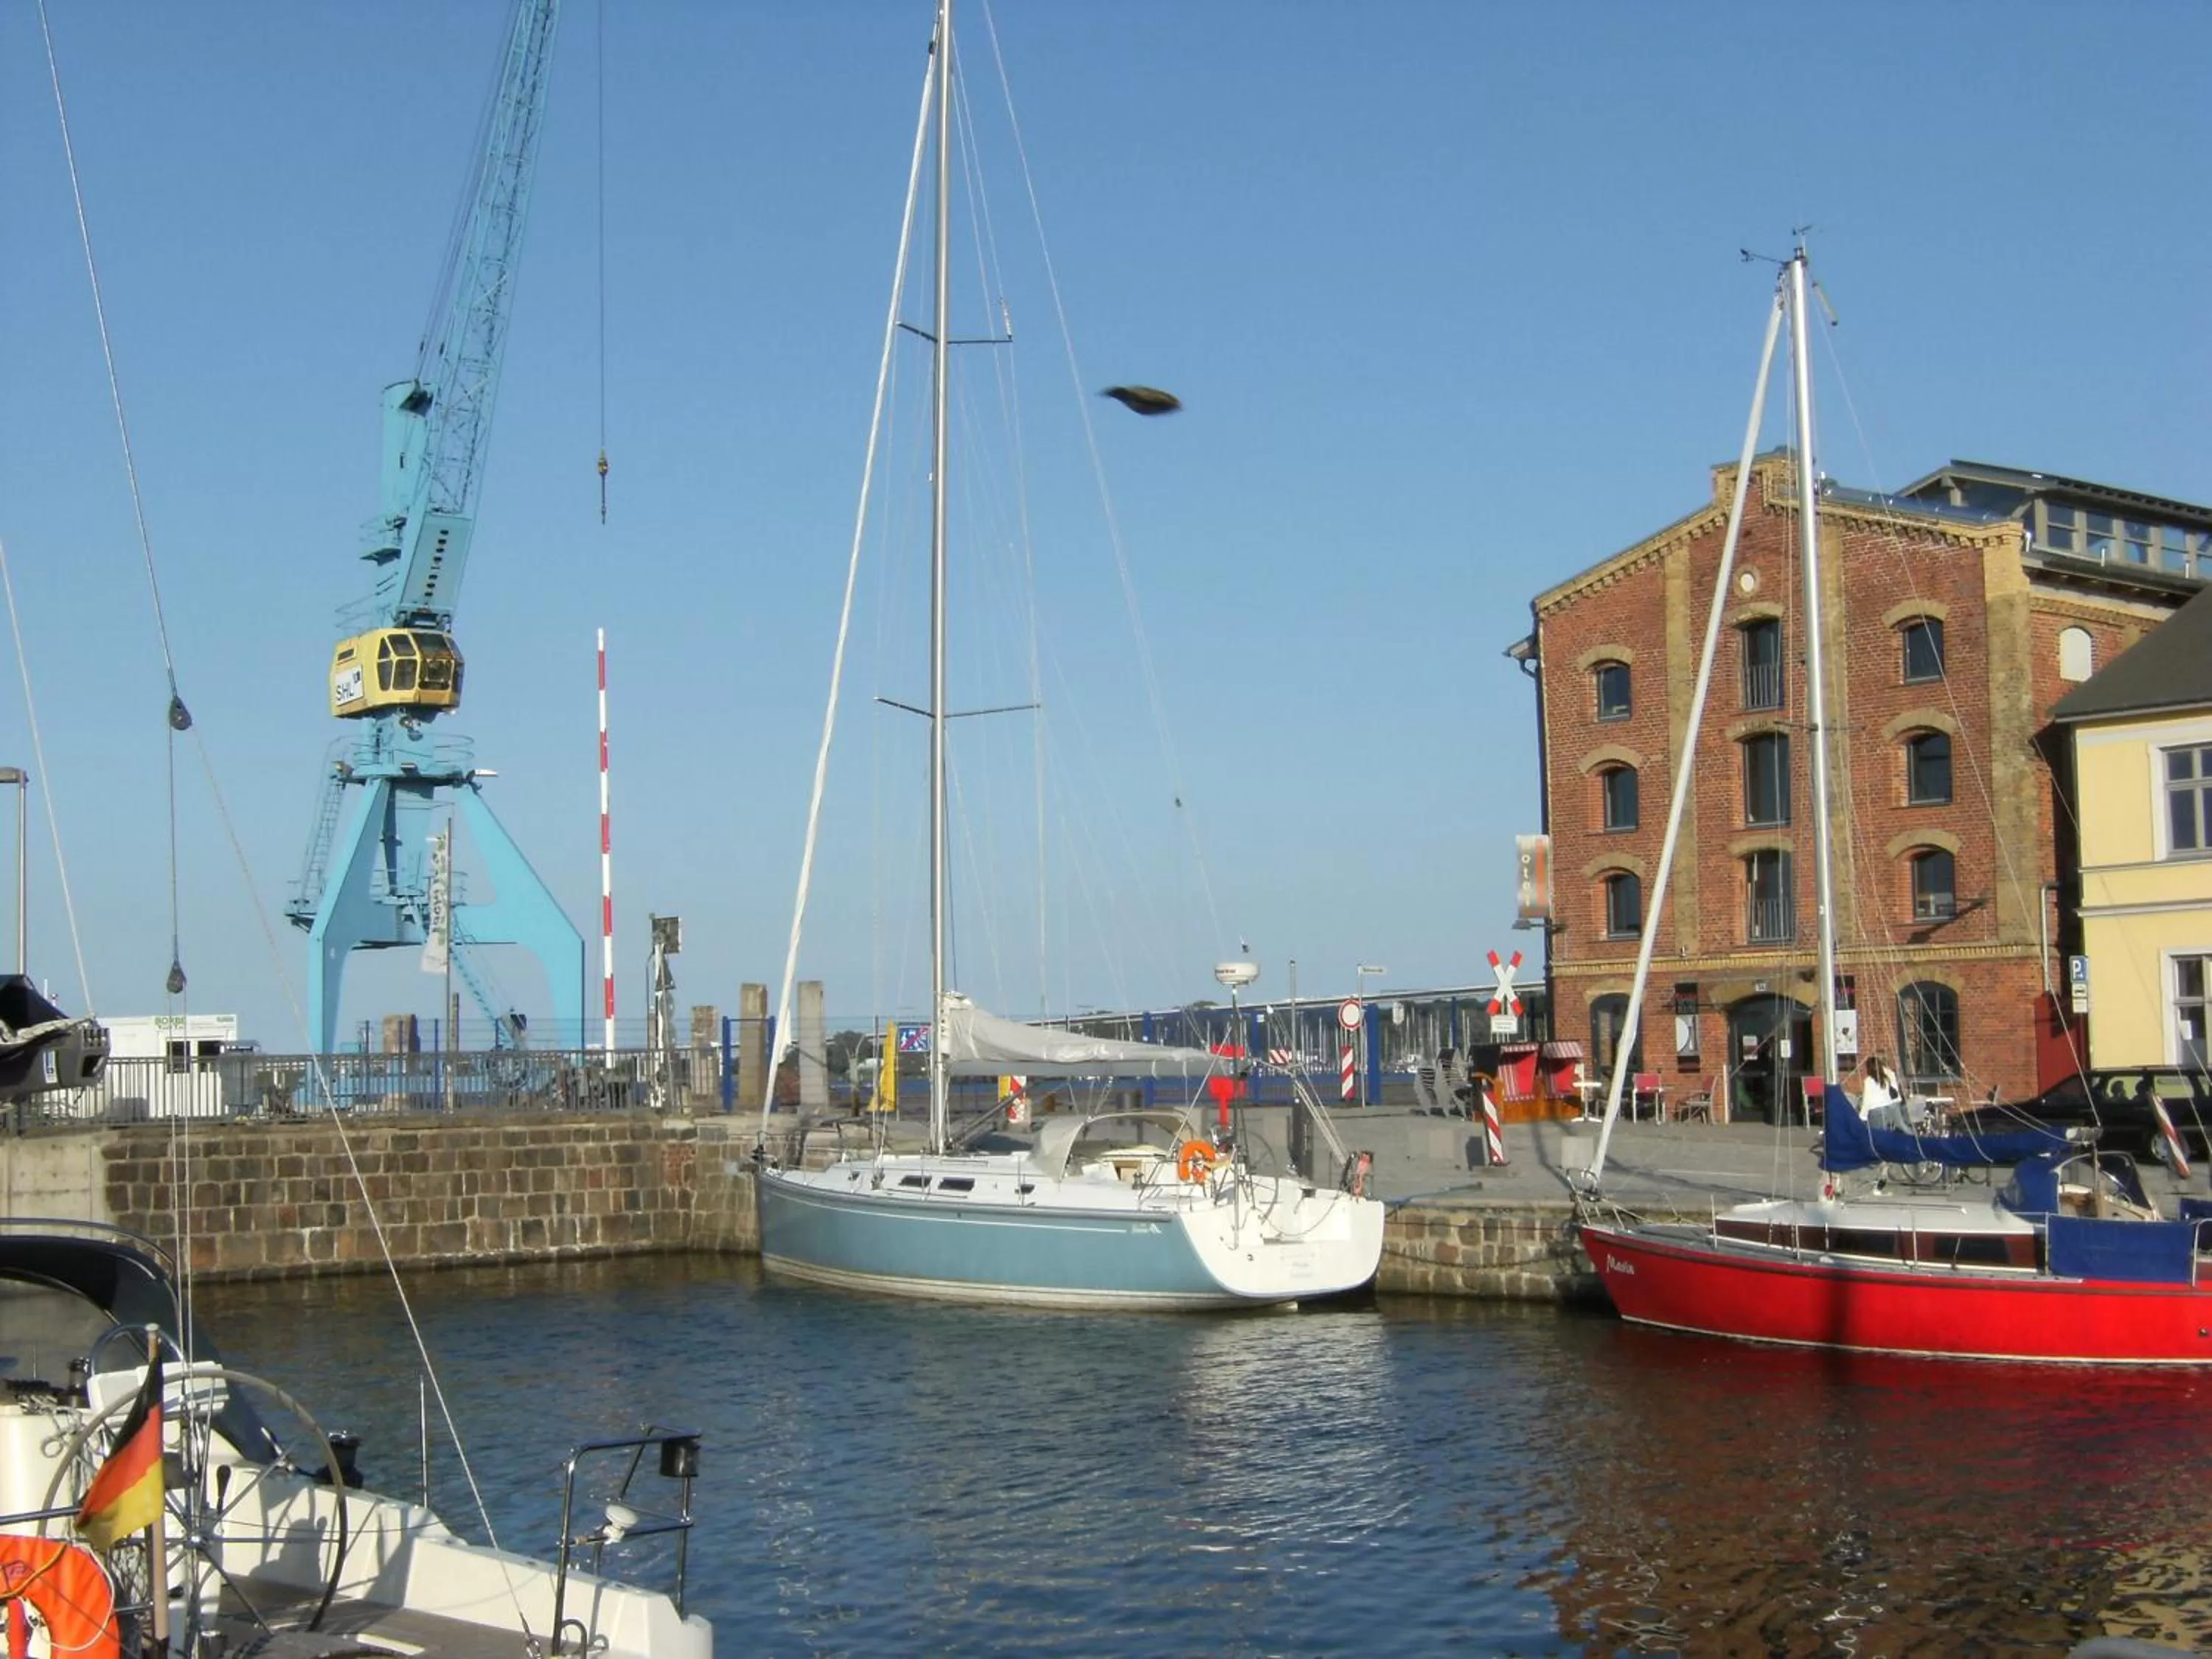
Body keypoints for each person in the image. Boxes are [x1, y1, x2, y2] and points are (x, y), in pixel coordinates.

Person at [1860, 1055, 1902, 1127]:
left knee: (1876, 1134)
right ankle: (1917, 1138)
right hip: (1890, 1107)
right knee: (1901, 1126)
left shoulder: (1869, 1081)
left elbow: (1867, 1100)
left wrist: (1862, 1116)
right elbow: (1895, 1092)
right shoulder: (1889, 1075)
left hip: (1876, 1110)